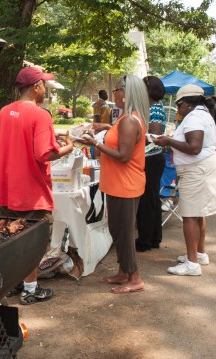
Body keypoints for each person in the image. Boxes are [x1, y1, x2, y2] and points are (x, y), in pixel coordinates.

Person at [0, 66, 74, 305]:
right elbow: (43, 154)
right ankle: (30, 289)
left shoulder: (4, 111)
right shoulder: (40, 115)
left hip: (7, 188)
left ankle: (13, 283)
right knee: (33, 242)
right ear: (36, 87)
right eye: (44, 85)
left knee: (11, 238)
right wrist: (67, 147)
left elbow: (19, 141)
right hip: (31, 190)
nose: (45, 89)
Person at [78, 74, 147, 293]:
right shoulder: (124, 118)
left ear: (125, 94)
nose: (113, 94)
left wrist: (94, 142)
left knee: (124, 233)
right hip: (117, 184)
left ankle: (135, 278)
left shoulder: (129, 120)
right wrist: (103, 131)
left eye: (116, 90)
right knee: (117, 230)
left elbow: (123, 155)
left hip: (126, 185)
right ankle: (123, 271)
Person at [151, 85, 216, 276]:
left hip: (197, 171)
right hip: (201, 168)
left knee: (190, 215)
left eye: (179, 106)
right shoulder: (203, 114)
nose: (178, 110)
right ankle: (199, 254)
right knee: (198, 213)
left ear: (186, 103)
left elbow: (194, 147)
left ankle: (192, 264)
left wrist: (168, 141)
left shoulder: (194, 117)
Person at [135, 76, 166, 252]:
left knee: (147, 200)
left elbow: (154, 136)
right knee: (152, 199)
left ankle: (145, 239)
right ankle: (154, 236)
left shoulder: (154, 109)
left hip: (151, 158)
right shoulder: (152, 108)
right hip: (152, 158)